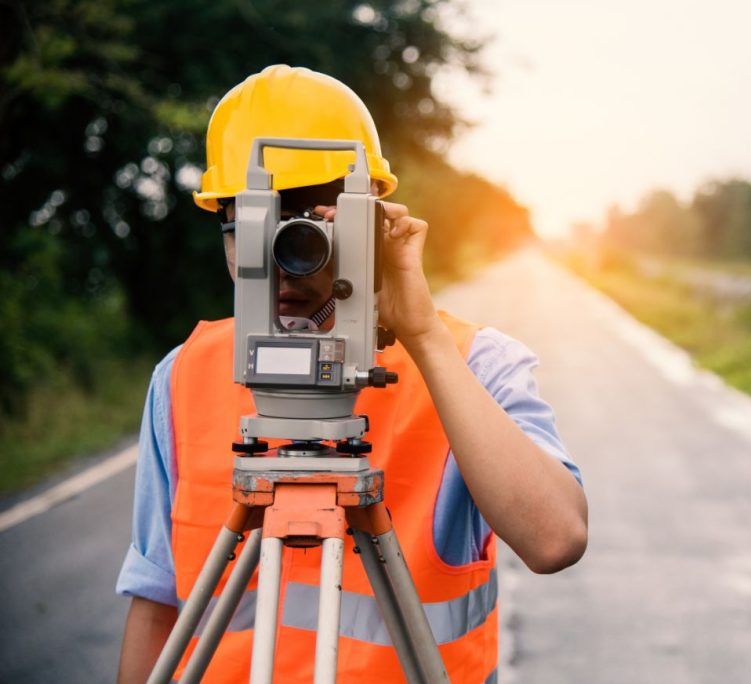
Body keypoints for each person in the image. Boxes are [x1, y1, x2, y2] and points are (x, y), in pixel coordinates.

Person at [115, 65, 587, 683]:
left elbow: (555, 539)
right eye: (254, 223)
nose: (287, 258)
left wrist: (421, 336)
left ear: (369, 222)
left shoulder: (469, 363)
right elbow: (158, 606)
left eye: (310, 225)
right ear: (224, 224)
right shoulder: (182, 377)